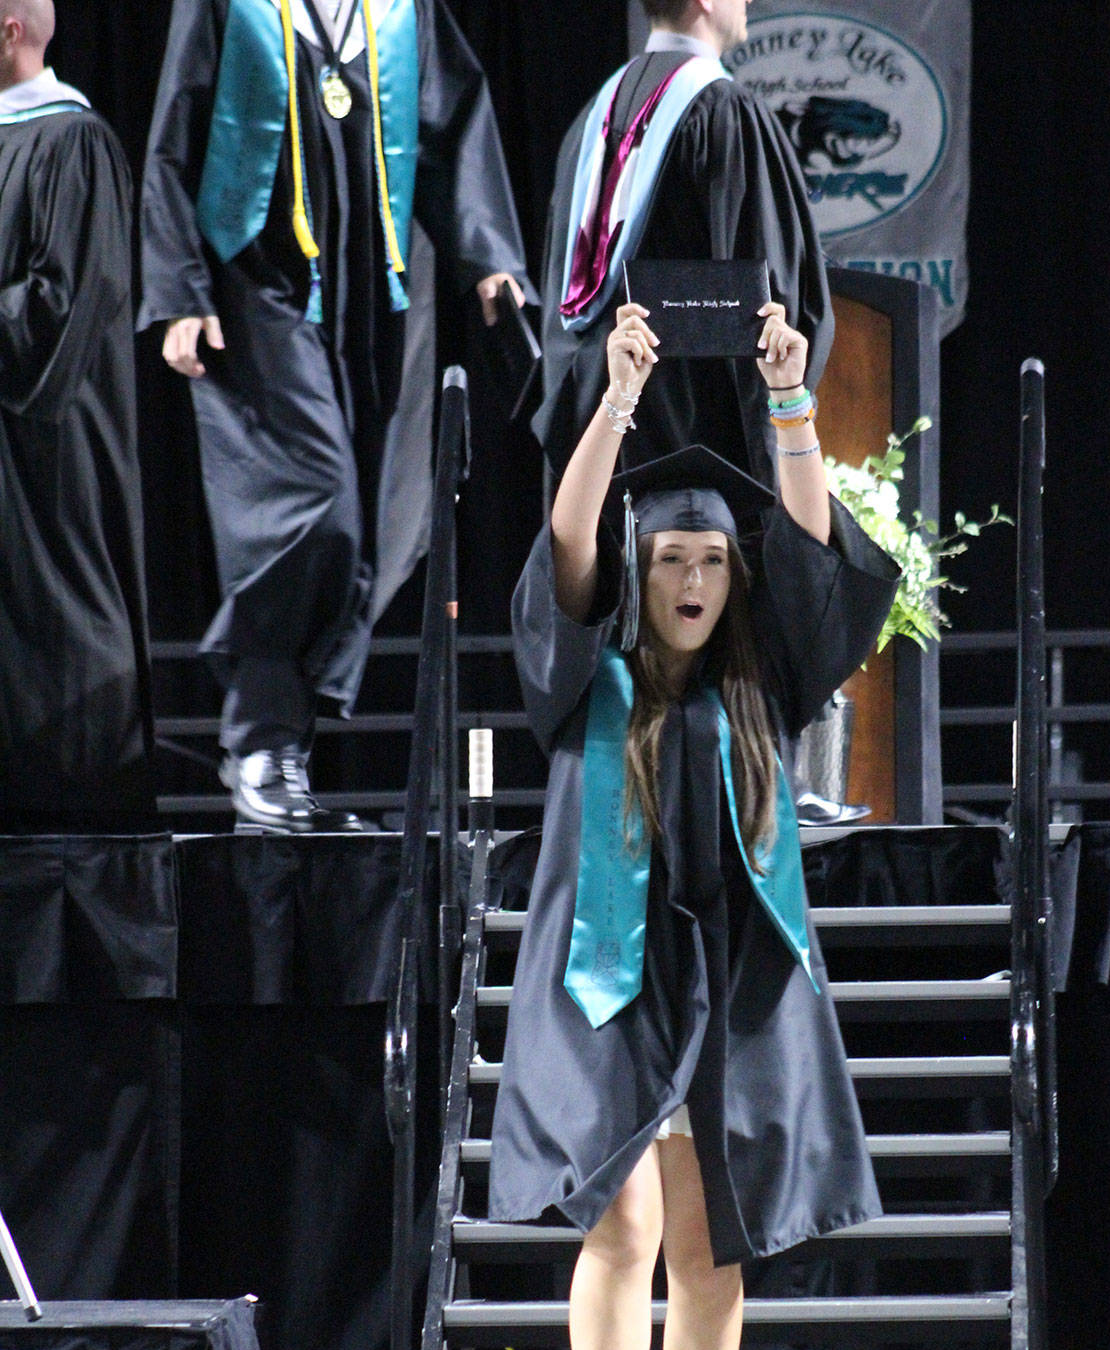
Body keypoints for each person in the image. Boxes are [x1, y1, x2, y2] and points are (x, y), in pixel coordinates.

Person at [489, 300, 899, 1350]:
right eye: (670, 558)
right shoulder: (584, 678)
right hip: (604, 982)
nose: (690, 581)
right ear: (642, 568)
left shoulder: (762, 676)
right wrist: (615, 398)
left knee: (708, 1241)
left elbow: (818, 561)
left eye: (711, 562)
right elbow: (567, 543)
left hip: (732, 976)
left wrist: (789, 402)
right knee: (618, 1225)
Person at [139, 0, 532, 832]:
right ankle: (258, 743)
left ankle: (281, 756)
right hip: (252, 290)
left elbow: (452, 124)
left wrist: (488, 256)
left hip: (364, 303)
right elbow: (176, 135)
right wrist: (177, 289)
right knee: (318, 509)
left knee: (356, 534)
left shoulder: (399, 10)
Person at [535, 0, 831, 487]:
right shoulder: (723, 110)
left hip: (597, 428)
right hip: (694, 447)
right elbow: (771, 292)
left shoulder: (596, 114)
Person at [0, 0, 155, 830]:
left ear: (10, 31)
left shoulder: (73, 143)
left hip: (45, 456)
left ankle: (77, 822)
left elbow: (61, 307)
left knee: (54, 623)